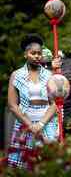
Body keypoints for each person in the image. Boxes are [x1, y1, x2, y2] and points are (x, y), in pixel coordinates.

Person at [7, 34, 58, 169]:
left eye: (39, 53)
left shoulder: (50, 75)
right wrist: (30, 125)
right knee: (22, 168)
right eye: (33, 53)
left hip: (46, 124)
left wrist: (41, 124)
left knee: (49, 165)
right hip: (25, 124)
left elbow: (54, 103)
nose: (37, 56)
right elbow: (12, 105)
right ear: (25, 54)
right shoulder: (16, 75)